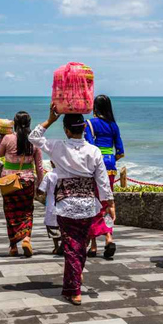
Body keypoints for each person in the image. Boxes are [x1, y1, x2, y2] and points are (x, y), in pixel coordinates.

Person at [30, 104, 115, 305]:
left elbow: (33, 137)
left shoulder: (58, 146)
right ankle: (73, 284)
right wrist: (109, 203)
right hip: (87, 206)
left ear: (66, 130)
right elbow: (102, 181)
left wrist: (50, 119)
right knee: (79, 246)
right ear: (84, 128)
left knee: (71, 247)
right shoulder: (94, 151)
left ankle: (74, 288)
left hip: (66, 205)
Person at [0, 111, 43, 257]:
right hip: (27, 181)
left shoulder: (8, 138)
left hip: (10, 181)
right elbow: (39, 167)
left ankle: (13, 247)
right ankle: (27, 239)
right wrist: (40, 186)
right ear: (29, 123)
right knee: (27, 211)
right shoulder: (35, 141)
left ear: (15, 124)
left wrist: (0, 137)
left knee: (10, 212)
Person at [84, 95, 124, 259]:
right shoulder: (113, 125)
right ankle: (109, 237)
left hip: (95, 166)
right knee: (107, 203)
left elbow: (88, 146)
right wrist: (111, 158)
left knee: (93, 204)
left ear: (95, 107)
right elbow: (120, 151)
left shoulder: (90, 123)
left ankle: (93, 245)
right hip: (110, 168)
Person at [37, 161, 62, 255]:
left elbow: (41, 190)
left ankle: (56, 247)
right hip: (65, 205)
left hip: (52, 205)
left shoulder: (49, 175)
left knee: (53, 227)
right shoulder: (67, 174)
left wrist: (38, 192)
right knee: (64, 227)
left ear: (52, 163)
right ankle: (64, 243)